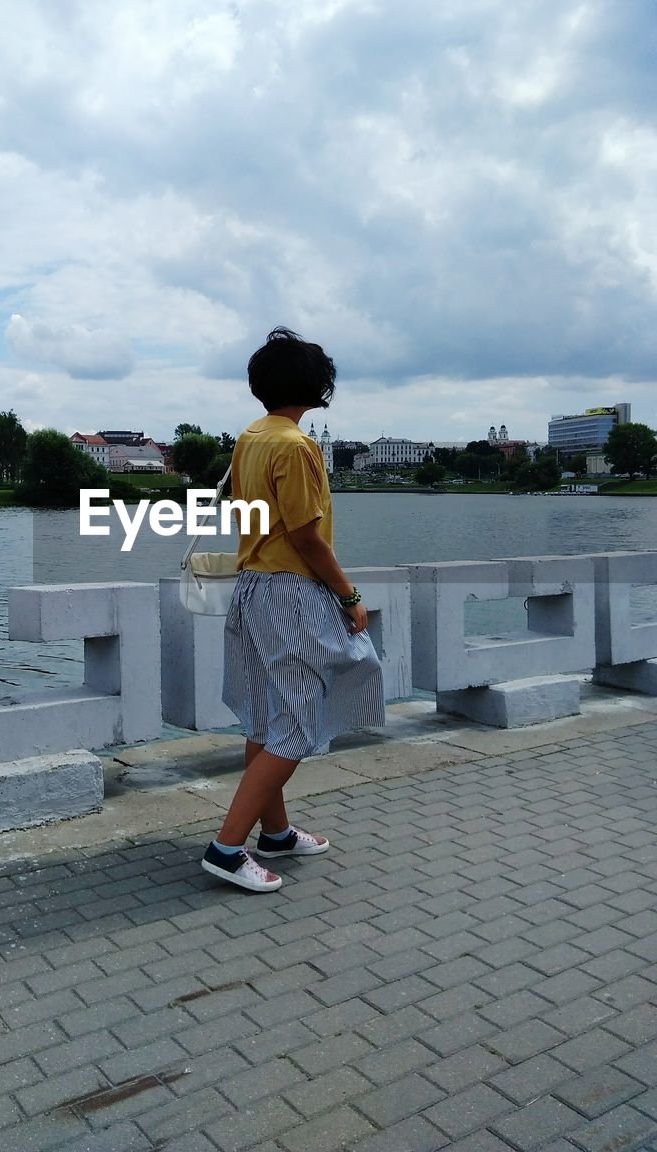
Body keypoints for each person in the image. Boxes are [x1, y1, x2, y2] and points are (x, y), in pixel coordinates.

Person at [201, 326, 385, 892]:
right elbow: (307, 538)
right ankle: (227, 849)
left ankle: (274, 832)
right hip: (291, 592)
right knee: (300, 723)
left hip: (253, 587)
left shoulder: (251, 437)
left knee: (266, 713)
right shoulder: (296, 445)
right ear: (315, 384)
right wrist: (349, 595)